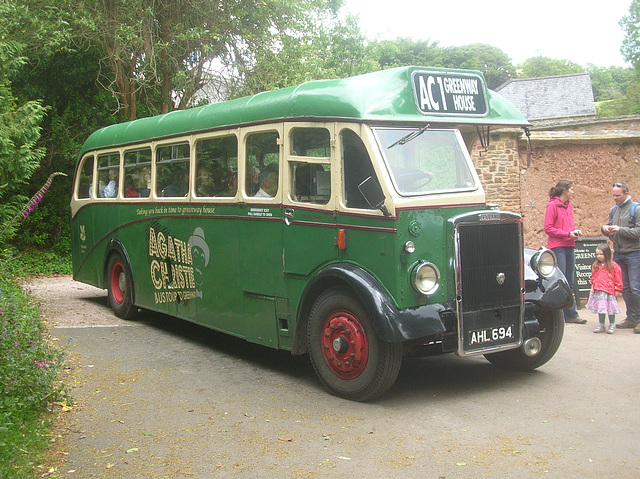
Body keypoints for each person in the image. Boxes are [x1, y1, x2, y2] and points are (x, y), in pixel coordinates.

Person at [544, 180, 585, 323]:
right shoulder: (552, 206)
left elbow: (569, 226)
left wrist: (574, 232)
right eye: (572, 189)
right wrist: (567, 234)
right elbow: (548, 228)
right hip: (558, 246)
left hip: (569, 245)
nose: (573, 192)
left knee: (570, 281)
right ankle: (563, 314)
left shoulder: (569, 206)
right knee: (562, 281)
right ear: (565, 191)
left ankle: (569, 313)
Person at [602, 182, 640, 334]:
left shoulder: (636, 209)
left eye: (617, 195)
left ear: (626, 193)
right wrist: (605, 229)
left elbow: (638, 232)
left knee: (636, 287)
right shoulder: (614, 210)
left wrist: (621, 230)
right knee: (625, 288)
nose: (615, 198)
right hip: (619, 253)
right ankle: (632, 318)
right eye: (613, 195)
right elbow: (610, 230)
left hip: (634, 253)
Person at [586, 243, 623, 333]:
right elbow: (593, 277)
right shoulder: (595, 266)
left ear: (607, 254)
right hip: (599, 290)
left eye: (601, 254)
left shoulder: (614, 266)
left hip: (609, 291)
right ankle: (601, 324)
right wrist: (592, 287)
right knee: (601, 308)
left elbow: (618, 278)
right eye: (597, 254)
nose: (599, 256)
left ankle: (612, 324)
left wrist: (618, 289)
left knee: (611, 309)